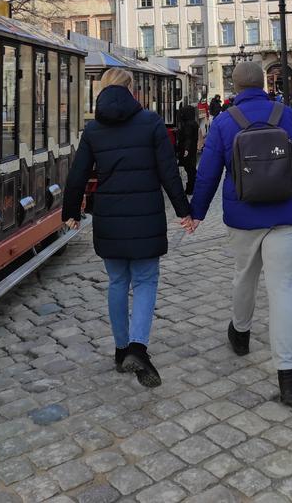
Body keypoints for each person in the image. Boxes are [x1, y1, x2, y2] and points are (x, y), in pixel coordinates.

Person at [185, 61, 292, 406]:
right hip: (284, 214)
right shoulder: (286, 116)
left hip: (242, 216)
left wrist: (196, 213)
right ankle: (288, 375)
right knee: (283, 289)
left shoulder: (224, 122)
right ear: (264, 85)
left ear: (235, 87)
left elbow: (208, 173)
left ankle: (240, 333)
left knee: (244, 276)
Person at [62, 67, 190, 388]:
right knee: (146, 280)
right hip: (146, 215)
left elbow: (77, 174)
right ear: (131, 89)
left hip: (109, 217)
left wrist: (71, 212)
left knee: (118, 281)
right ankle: (137, 346)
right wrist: (183, 210)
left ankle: (121, 351)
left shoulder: (93, 129)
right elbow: (168, 172)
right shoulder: (151, 122)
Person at [177, 104, 199, 195]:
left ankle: (191, 188)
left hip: (188, 149)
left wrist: (186, 149)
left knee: (189, 169)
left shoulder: (188, 125)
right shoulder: (193, 123)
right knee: (191, 169)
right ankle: (192, 186)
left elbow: (188, 138)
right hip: (192, 149)